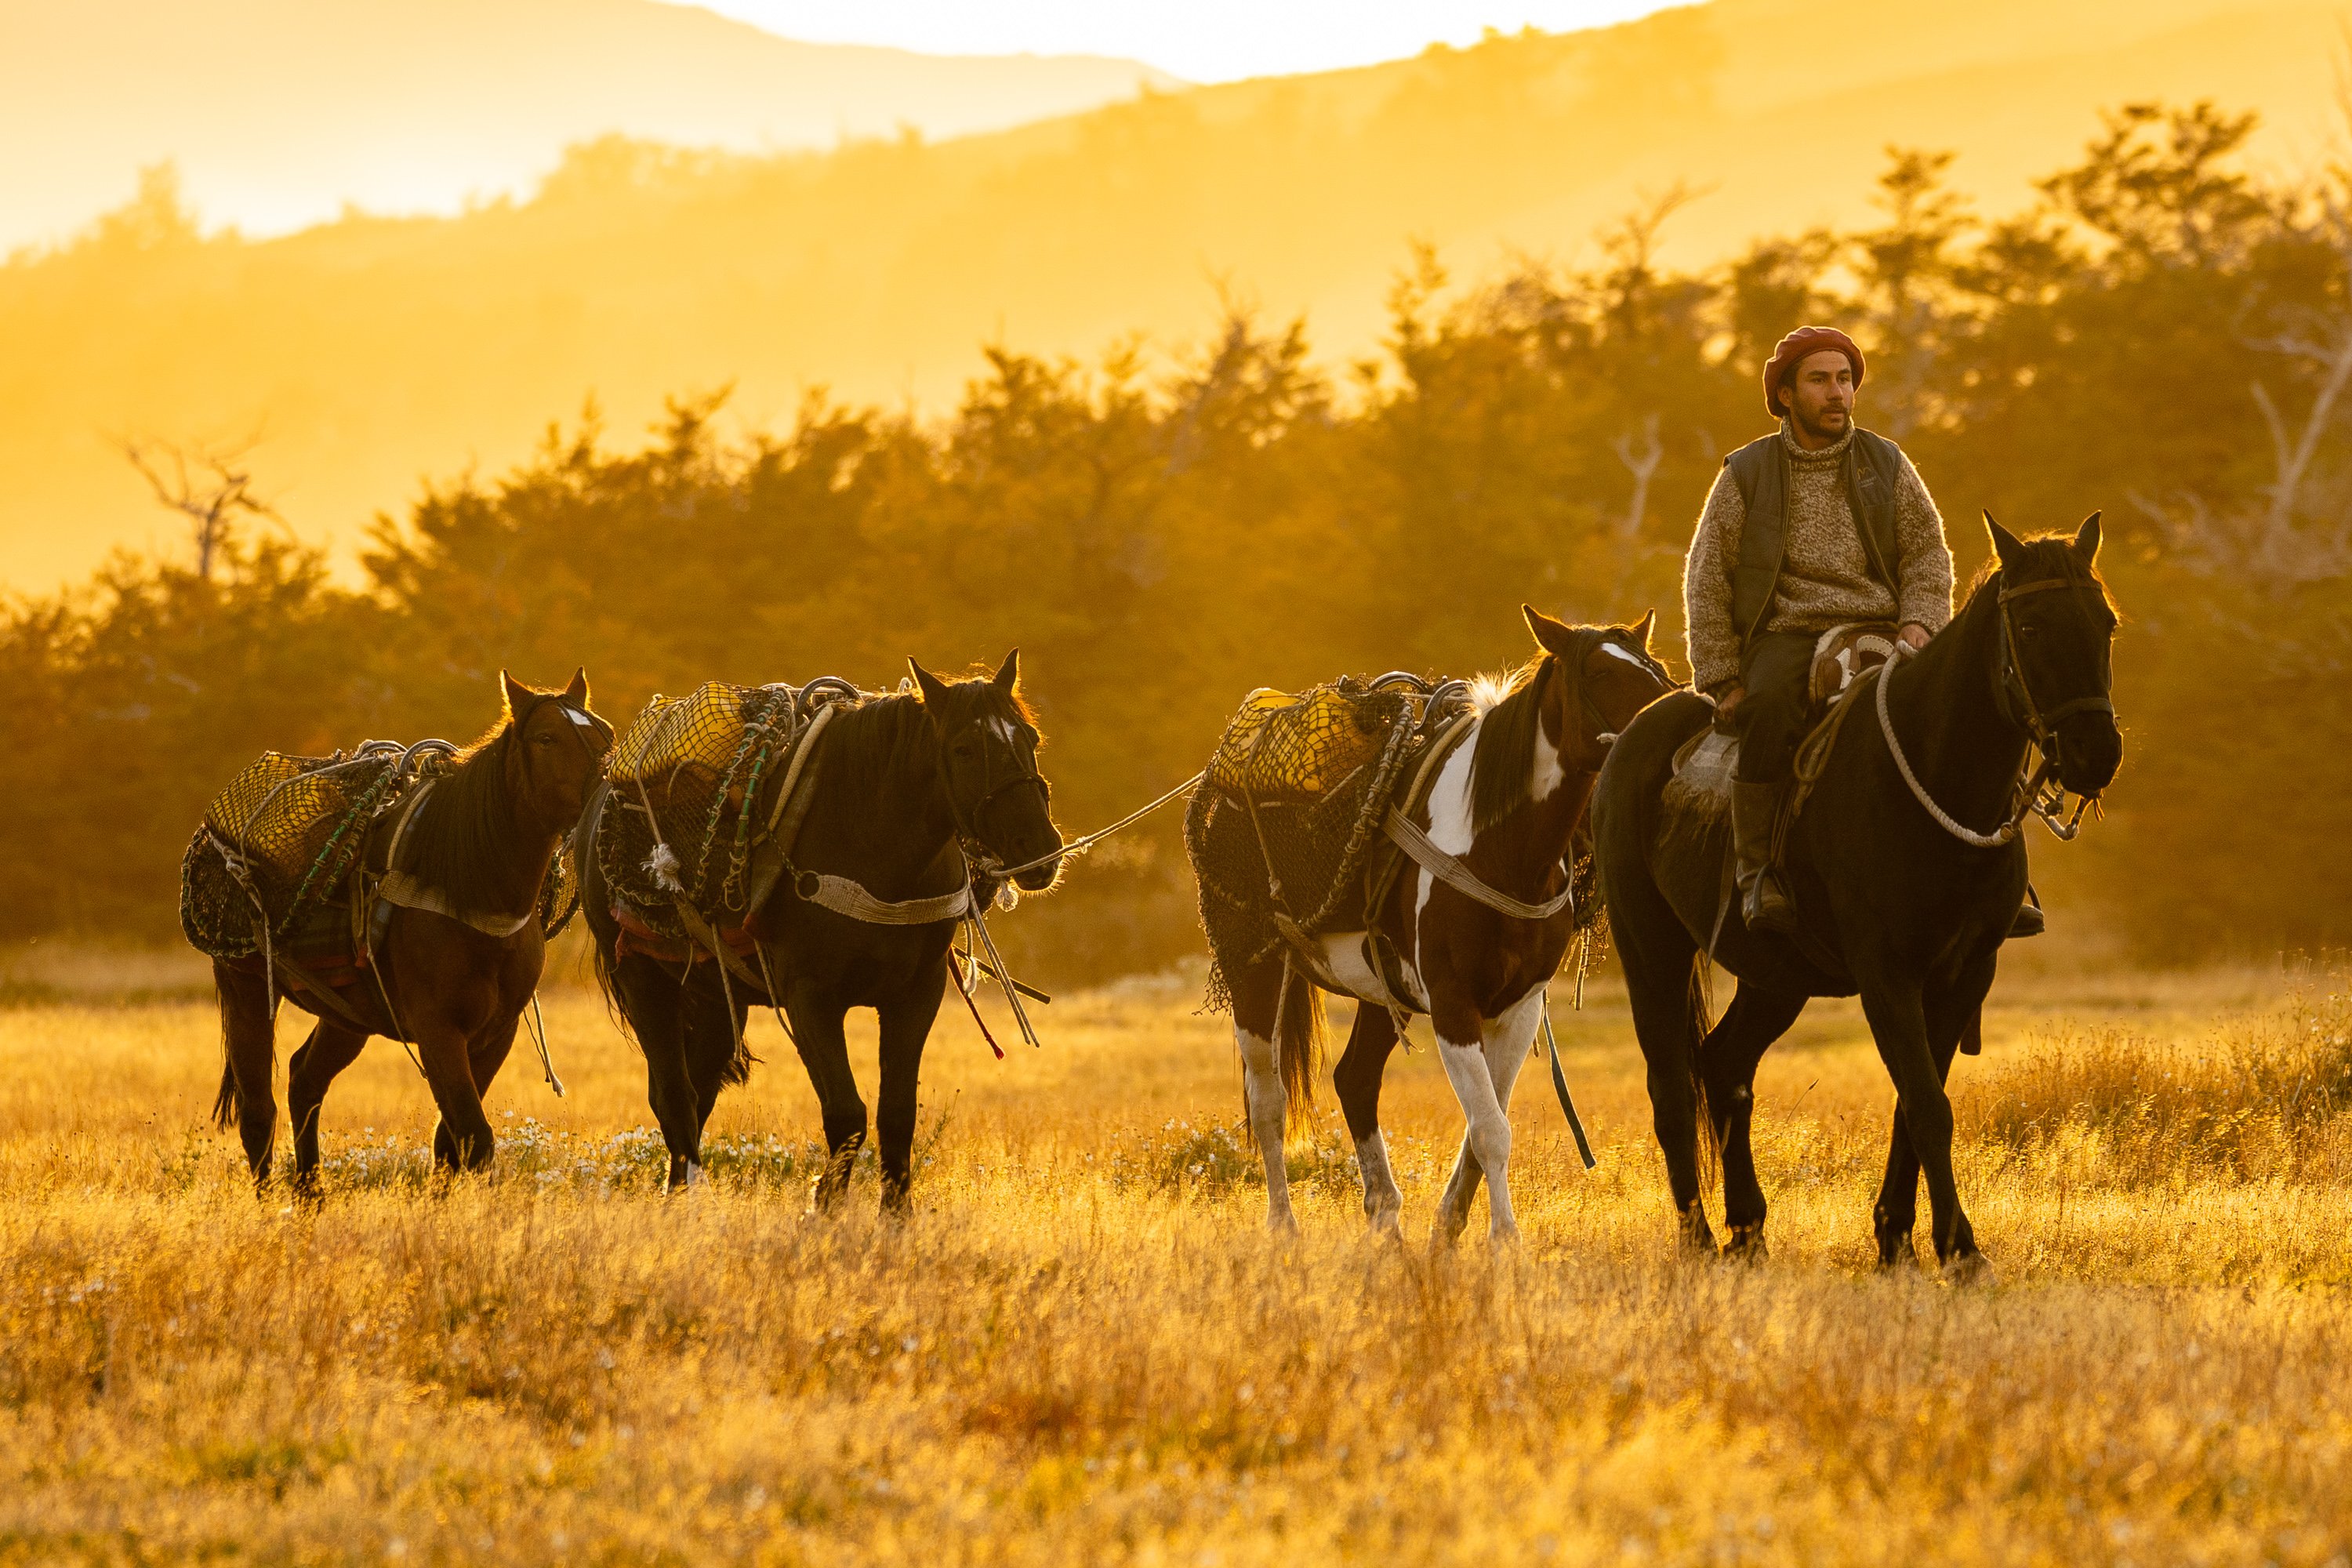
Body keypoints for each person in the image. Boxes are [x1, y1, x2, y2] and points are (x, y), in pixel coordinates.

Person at [1682, 325, 1960, 937]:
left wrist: (1919, 622)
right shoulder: (1747, 474)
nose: (1837, 393)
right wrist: (1723, 676)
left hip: (1884, 629)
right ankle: (1758, 872)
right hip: (1787, 635)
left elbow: (1926, 554)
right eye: (1820, 380)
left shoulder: (1886, 463)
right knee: (1772, 709)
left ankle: (1997, 873)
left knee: (1960, 707)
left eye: (1845, 379)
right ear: (1785, 395)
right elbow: (1708, 578)